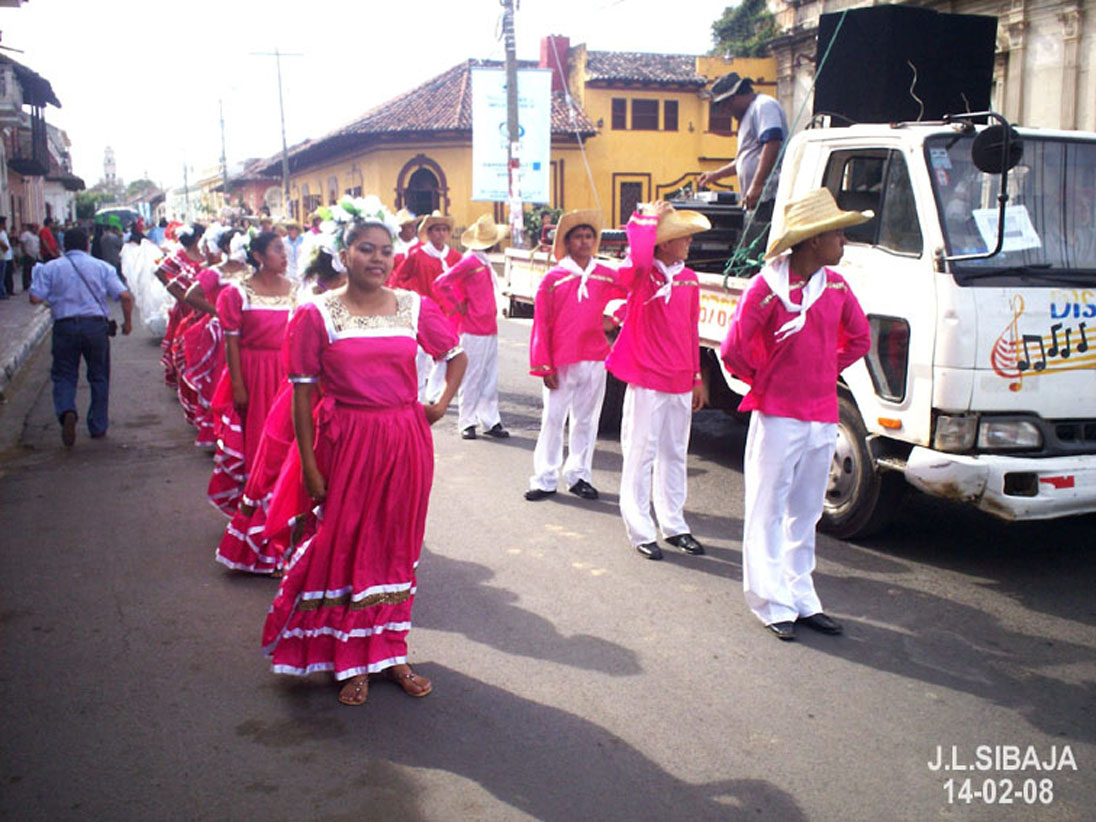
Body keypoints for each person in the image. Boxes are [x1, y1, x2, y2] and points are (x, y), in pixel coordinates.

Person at [261, 201, 467, 706]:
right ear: (343, 254)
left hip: (405, 441)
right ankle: (349, 659)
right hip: (346, 442)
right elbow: (304, 395)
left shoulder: (412, 306)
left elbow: (455, 355)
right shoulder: (317, 314)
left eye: (385, 251)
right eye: (366, 249)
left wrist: (438, 405)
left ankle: (391, 652)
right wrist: (309, 465)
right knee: (348, 544)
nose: (378, 259)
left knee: (396, 545)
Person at [721, 188, 871, 641]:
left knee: (805, 512)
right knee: (768, 508)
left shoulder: (838, 287)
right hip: (780, 414)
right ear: (812, 241)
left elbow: (859, 339)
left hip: (823, 415)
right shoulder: (766, 288)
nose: (843, 243)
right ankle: (770, 602)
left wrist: (824, 369)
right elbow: (733, 351)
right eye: (838, 235)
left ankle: (801, 596)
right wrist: (769, 378)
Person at [607, 200, 710, 561]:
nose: (689, 243)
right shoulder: (641, 274)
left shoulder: (689, 279)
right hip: (647, 378)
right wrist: (645, 217)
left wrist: (697, 376)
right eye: (683, 237)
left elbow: (691, 329)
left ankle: (674, 524)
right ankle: (640, 529)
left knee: (674, 453)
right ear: (664, 243)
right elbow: (635, 257)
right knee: (641, 454)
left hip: (681, 379)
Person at [525, 209, 623, 501]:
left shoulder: (606, 274)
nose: (584, 241)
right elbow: (541, 324)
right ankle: (544, 477)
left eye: (589, 236)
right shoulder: (553, 279)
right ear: (567, 242)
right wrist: (544, 365)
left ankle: (579, 474)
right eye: (578, 237)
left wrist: (614, 320)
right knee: (554, 420)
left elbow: (629, 297)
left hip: (595, 357)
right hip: (562, 360)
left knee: (587, 420)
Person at [206, 232, 293, 515]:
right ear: (258, 256)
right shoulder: (238, 292)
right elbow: (231, 342)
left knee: (289, 437)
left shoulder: (295, 289)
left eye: (285, 249)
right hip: (254, 373)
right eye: (277, 249)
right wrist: (238, 385)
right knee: (258, 436)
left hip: (287, 373)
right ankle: (256, 506)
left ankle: (284, 503)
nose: (284, 255)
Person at [28, 226, 133, 446]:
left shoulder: (51, 268)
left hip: (64, 327)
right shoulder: (101, 267)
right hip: (95, 328)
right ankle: (97, 426)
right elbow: (124, 296)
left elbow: (35, 298)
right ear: (87, 245)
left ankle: (67, 409)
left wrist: (54, 297)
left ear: (64, 245)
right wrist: (127, 323)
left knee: (64, 374)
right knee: (99, 376)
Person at [435, 213, 510, 440]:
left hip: (489, 326)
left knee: (489, 376)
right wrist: (458, 305)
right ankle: (467, 421)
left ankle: (490, 419)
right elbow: (441, 283)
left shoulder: (483, 262)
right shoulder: (470, 261)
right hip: (473, 328)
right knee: (473, 376)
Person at [697, 73, 788, 253]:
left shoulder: (763, 105)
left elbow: (772, 143)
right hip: (757, 200)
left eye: (726, 105)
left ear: (736, 96)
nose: (725, 111)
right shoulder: (748, 115)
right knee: (750, 251)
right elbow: (745, 159)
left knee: (760, 253)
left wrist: (758, 185)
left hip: (769, 197)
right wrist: (716, 175)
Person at [389, 211, 461, 401]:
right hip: (423, 314)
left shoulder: (454, 257)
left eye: (444, 229)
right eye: (436, 229)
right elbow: (398, 278)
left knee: (446, 354)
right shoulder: (417, 255)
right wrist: (410, 296)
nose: (441, 234)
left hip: (447, 314)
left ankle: (434, 393)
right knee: (420, 356)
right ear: (428, 233)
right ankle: (418, 395)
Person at [19, 222, 39, 293]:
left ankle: (31, 282)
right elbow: (22, 243)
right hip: (28, 254)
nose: (36, 229)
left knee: (32, 270)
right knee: (27, 270)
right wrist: (24, 252)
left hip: (34, 255)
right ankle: (26, 285)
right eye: (35, 228)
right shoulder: (26, 234)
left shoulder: (36, 236)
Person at [0, 216, 12, 298]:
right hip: (2, 257)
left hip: (5, 257)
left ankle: (6, 291)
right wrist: (4, 251)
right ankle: (3, 294)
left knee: (5, 276)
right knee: (1, 277)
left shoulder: (3, 232)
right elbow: (4, 245)